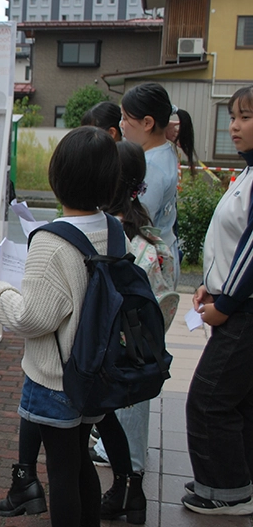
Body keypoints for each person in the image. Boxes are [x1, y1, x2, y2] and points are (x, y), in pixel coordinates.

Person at [0, 104, 125, 518]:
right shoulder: (114, 228)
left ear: (58, 177)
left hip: (56, 377)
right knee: (81, 460)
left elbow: (33, 318)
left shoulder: (51, 241)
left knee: (62, 473)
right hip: (97, 370)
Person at [92, 140, 180, 524]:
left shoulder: (113, 238)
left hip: (116, 352)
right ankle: (134, 494)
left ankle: (123, 491)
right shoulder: (148, 234)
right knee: (131, 419)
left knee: (113, 420)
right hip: (145, 349)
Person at [184, 85, 253, 516]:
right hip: (236, 301)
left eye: (245, 116)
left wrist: (225, 305)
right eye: (232, 116)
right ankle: (236, 480)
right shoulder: (247, 172)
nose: (234, 126)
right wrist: (214, 285)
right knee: (238, 401)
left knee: (208, 399)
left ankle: (227, 491)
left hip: (244, 310)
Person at [119, 82, 191, 287]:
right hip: (163, 255)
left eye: (125, 118)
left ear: (148, 123)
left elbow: (138, 221)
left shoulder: (149, 166)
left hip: (150, 267)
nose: (121, 125)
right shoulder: (164, 150)